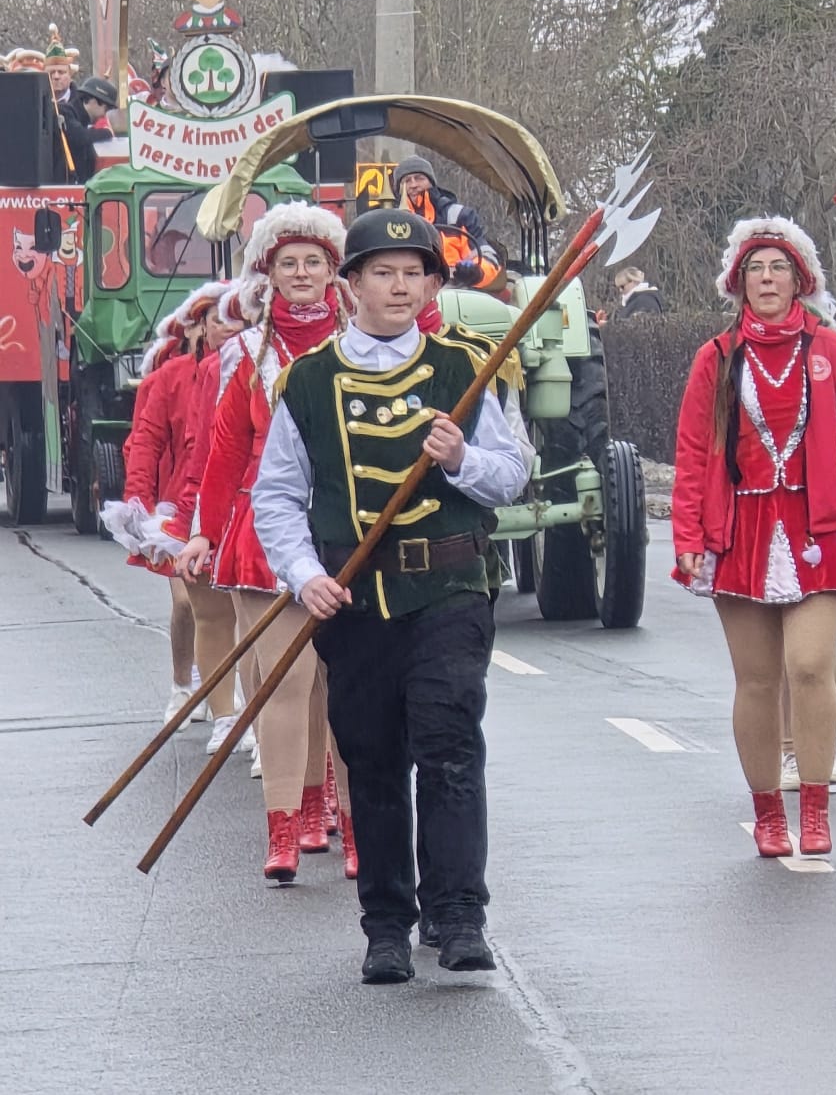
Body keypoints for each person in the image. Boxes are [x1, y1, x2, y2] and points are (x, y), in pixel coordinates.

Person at [253, 207, 527, 984]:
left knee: (448, 744)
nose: (400, 286)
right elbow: (277, 496)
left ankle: (459, 914)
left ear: (432, 284)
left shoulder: (467, 368)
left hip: (449, 588)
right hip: (355, 598)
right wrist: (304, 574)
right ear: (352, 287)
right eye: (383, 272)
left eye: (415, 273)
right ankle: (385, 924)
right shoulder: (305, 384)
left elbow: (512, 476)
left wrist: (462, 457)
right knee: (371, 758)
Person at [672, 216, 836, 861]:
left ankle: (814, 805)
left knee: (811, 665)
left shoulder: (831, 349)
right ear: (738, 282)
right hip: (741, 530)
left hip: (820, 524)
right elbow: (692, 449)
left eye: (779, 268)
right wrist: (688, 531)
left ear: (801, 279)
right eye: (756, 269)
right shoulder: (717, 355)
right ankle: (768, 812)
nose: (767, 279)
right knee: (757, 680)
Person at [178, 205, 356, 885]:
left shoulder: (357, 346)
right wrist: (204, 529)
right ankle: (285, 825)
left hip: (343, 531)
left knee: (342, 686)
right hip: (263, 534)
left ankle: (343, 816)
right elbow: (224, 454)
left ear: (333, 271)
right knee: (285, 684)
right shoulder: (245, 356)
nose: (303, 274)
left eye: (314, 262)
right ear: (269, 275)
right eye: (290, 264)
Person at [111, 284, 233, 725]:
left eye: (238, 320)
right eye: (219, 320)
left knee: (235, 605)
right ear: (200, 326)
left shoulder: (258, 367)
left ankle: (231, 705)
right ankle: (185, 683)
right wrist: (137, 508)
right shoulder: (168, 379)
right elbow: (143, 443)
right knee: (188, 602)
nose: (228, 329)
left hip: (237, 505)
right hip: (180, 508)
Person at [393, 156, 503, 292]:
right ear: (399, 189)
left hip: (455, 291)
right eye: (406, 181)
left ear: (431, 182)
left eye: (419, 178)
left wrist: (476, 272)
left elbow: (487, 255)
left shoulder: (460, 216)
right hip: (404, 291)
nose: (413, 184)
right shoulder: (391, 223)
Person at [58, 75, 117, 185]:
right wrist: (106, 132)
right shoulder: (65, 112)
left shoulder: (81, 121)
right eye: (107, 108)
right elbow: (80, 137)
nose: (105, 114)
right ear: (93, 101)